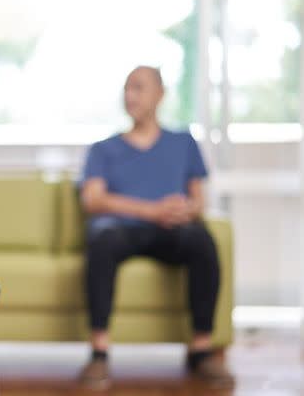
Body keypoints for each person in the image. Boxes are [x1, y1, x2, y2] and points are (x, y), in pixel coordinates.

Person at [77, 66, 234, 389]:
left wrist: (183, 210)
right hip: (122, 231)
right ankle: (99, 353)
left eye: (138, 88)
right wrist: (153, 210)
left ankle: (201, 351)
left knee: (202, 240)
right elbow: (93, 200)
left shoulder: (183, 143)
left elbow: (197, 201)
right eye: (126, 89)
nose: (130, 95)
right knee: (101, 237)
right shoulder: (103, 148)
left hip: (170, 231)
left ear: (160, 95)